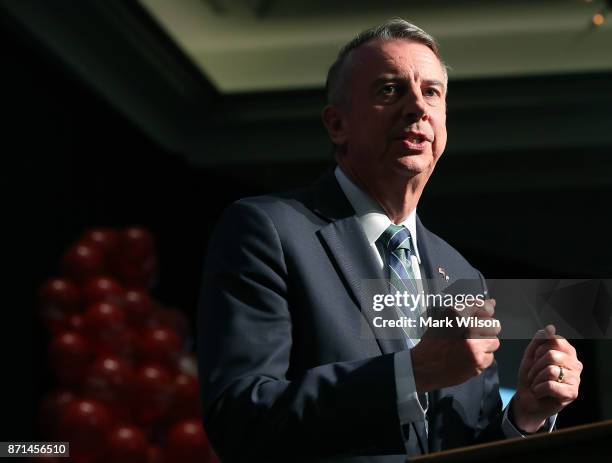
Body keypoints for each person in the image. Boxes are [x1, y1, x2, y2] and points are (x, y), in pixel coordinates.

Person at [197, 18, 582, 462]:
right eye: (389, 90)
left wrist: (524, 418)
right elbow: (239, 419)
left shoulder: (460, 274)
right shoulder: (267, 230)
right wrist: (410, 373)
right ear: (337, 124)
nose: (417, 107)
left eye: (432, 92)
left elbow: (460, 444)